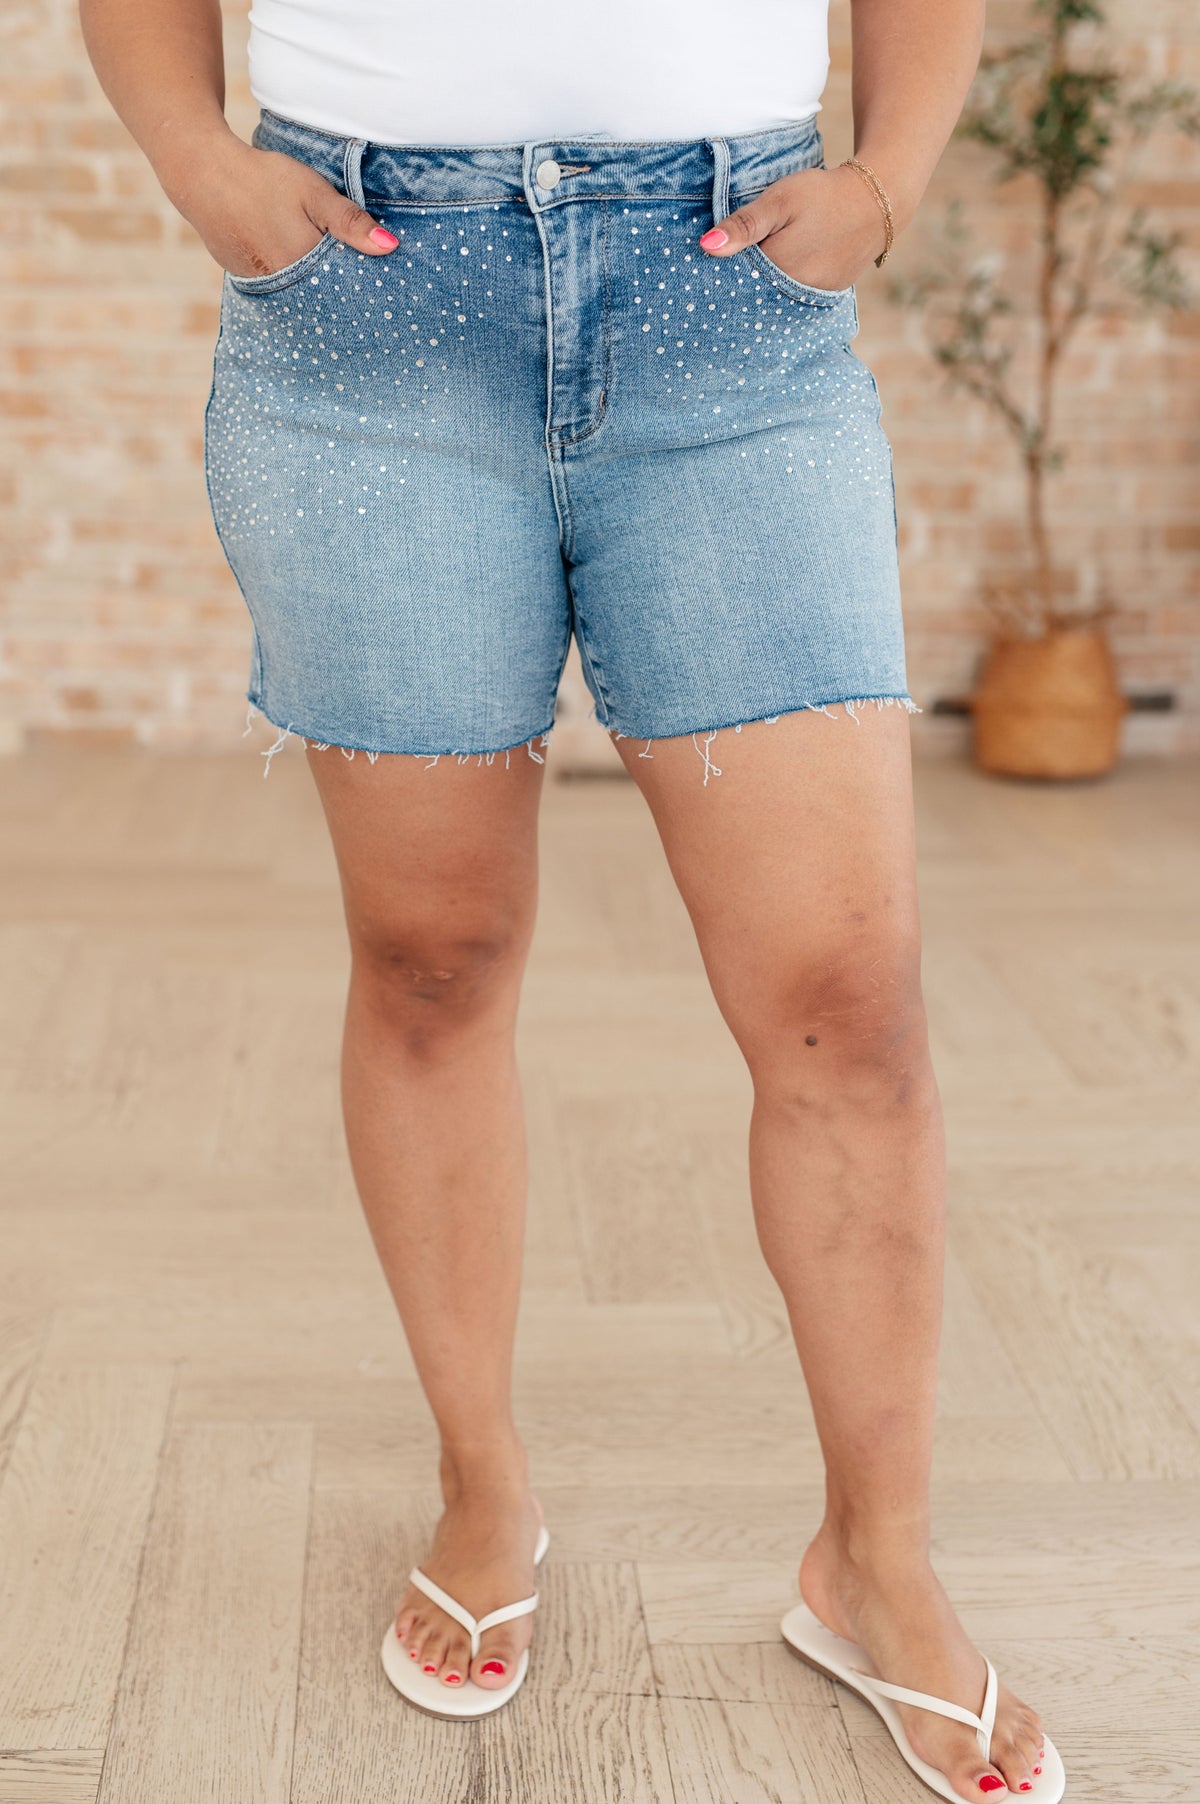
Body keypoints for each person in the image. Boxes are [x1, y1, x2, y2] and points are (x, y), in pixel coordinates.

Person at [80, 0, 1062, 1794]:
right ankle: (483, 1485)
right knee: (434, 960)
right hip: (369, 315)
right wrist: (196, 157)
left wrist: (890, 178)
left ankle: (879, 1563)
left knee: (851, 999)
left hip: (730, 298)